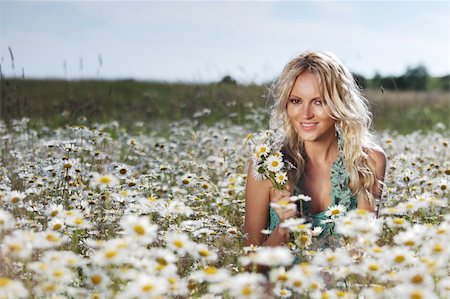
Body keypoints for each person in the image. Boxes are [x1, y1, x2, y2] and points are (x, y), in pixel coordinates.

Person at [243, 51, 386, 249]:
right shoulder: (267, 166)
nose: (306, 114)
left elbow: (363, 252)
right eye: (296, 101)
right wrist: (284, 228)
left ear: (339, 104)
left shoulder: (368, 161)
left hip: (343, 278)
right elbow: (250, 265)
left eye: (319, 102)